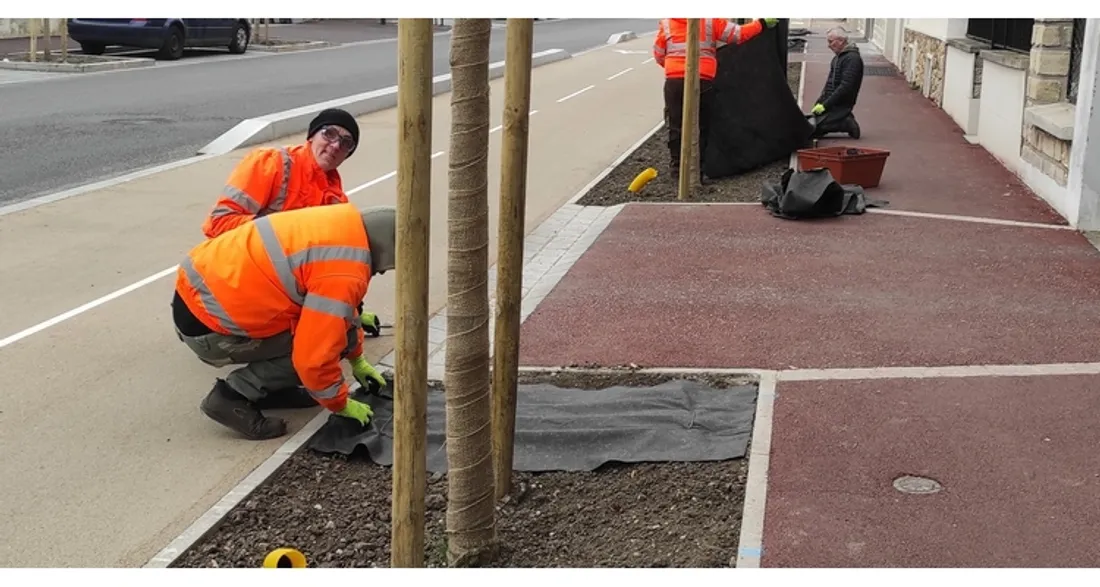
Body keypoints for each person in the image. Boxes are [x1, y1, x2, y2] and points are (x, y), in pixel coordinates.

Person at [171, 202, 395, 440]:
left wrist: (358, 359)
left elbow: (343, 313)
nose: (378, 273)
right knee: (329, 345)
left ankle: (270, 389)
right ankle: (232, 396)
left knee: (335, 333)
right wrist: (340, 404)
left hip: (198, 299)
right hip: (209, 330)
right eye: (383, 270)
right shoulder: (344, 272)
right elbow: (313, 358)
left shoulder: (340, 226)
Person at [200, 108, 386, 338]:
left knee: (336, 322)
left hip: (272, 286)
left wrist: (352, 315)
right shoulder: (271, 163)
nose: (336, 145)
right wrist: (285, 232)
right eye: (329, 134)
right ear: (312, 136)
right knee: (314, 342)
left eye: (346, 143)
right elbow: (219, 224)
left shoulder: (336, 201)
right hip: (230, 284)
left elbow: (337, 267)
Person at [653, 17, 778, 182]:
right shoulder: (710, 21)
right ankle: (697, 172)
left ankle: (677, 172)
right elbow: (738, 34)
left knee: (676, 126)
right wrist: (761, 24)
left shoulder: (668, 23)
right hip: (703, 80)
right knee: (702, 126)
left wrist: (675, 68)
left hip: (674, 81)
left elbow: (659, 53)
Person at [810, 27, 864, 139]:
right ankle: (841, 119)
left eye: (830, 41)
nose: (828, 45)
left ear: (841, 40)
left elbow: (846, 87)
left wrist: (825, 105)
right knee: (809, 124)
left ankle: (846, 123)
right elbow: (829, 84)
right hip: (833, 104)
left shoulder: (852, 59)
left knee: (812, 129)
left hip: (841, 105)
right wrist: (820, 102)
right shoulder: (837, 58)